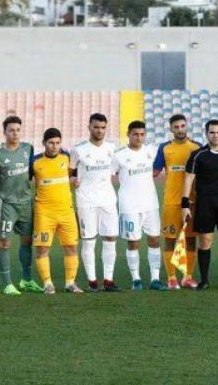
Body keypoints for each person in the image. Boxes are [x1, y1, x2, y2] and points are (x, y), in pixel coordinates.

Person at [182, 119, 218, 291]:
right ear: (206, 134)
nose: (215, 135)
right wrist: (184, 205)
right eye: (212, 132)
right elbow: (188, 179)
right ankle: (205, 280)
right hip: (205, 202)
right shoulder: (198, 155)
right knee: (205, 240)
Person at [0, 116, 37, 295]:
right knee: (4, 242)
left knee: (27, 241)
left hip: (25, 202)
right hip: (6, 204)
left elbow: (30, 171)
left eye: (18, 130)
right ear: (4, 132)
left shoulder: (27, 148)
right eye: (11, 130)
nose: (15, 133)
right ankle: (7, 284)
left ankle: (26, 280)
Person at [112, 121, 164, 291]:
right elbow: (106, 174)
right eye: (135, 134)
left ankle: (155, 279)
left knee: (155, 239)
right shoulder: (118, 154)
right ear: (128, 134)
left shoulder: (151, 150)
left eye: (142, 134)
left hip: (150, 204)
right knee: (133, 242)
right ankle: (136, 279)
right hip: (129, 205)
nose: (139, 137)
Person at [70, 113, 119, 291]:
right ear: (89, 127)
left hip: (107, 199)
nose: (100, 130)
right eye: (96, 127)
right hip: (86, 200)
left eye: (103, 127)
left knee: (110, 238)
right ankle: (92, 282)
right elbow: (70, 172)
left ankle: (108, 281)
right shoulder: (78, 149)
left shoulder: (112, 148)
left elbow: (115, 170)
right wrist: (73, 180)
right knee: (89, 240)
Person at [153, 114, 202, 289]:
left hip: (192, 202)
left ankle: (187, 277)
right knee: (169, 239)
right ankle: (172, 278)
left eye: (182, 126)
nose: (180, 130)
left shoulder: (196, 147)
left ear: (187, 126)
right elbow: (154, 171)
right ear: (171, 129)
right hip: (171, 202)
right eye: (176, 127)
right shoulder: (164, 148)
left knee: (190, 239)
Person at [31, 128, 82, 294]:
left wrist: (76, 181)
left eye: (57, 143)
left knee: (71, 247)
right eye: (51, 143)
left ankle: (70, 283)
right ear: (44, 143)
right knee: (42, 249)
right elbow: (22, 182)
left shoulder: (67, 157)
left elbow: (75, 174)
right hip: (44, 213)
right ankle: (47, 284)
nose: (54, 146)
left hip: (66, 211)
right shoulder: (34, 161)